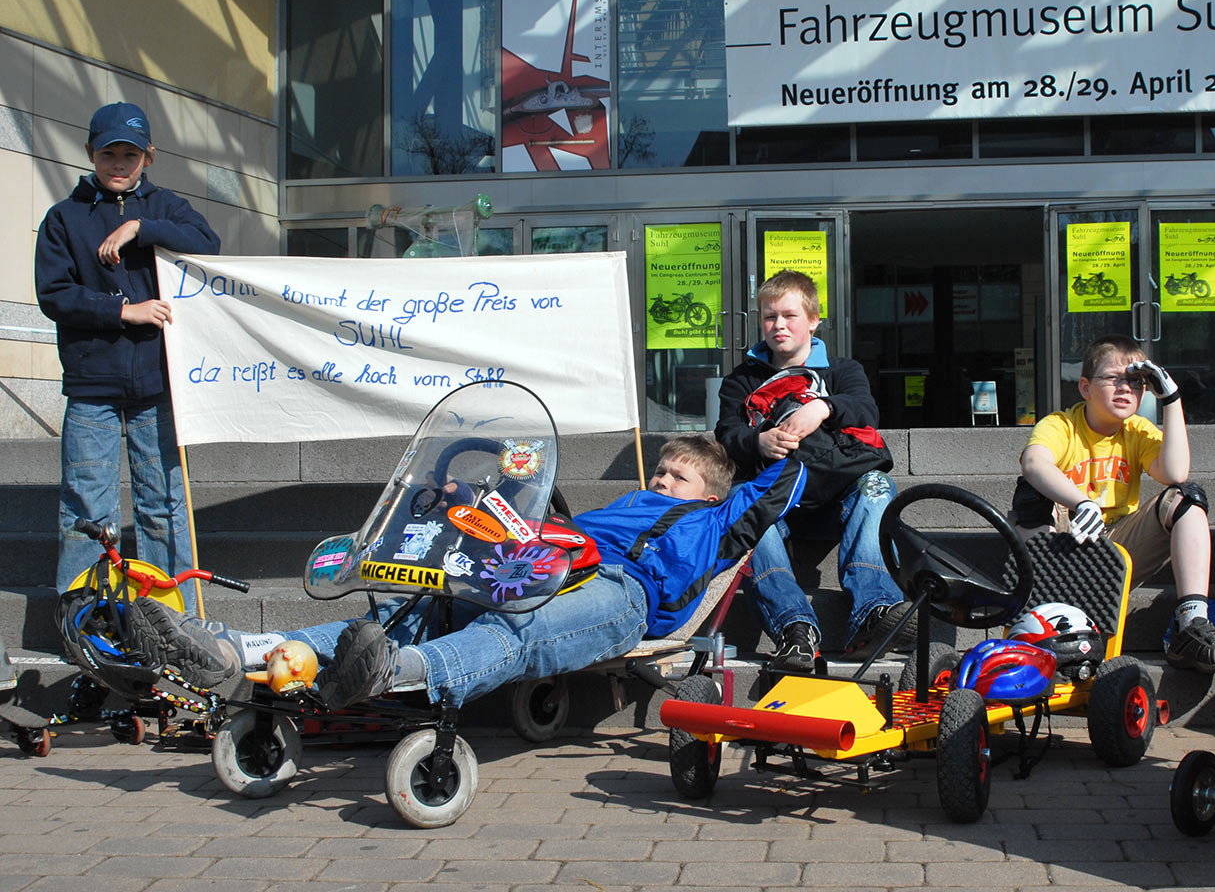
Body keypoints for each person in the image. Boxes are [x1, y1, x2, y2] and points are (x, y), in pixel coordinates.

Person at [132, 436, 806, 709]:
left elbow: (793, 477)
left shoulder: (719, 520)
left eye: (677, 475)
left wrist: (791, 429)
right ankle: (229, 650)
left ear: (713, 493)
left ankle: (387, 675)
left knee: (522, 628)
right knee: (406, 607)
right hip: (543, 561)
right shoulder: (626, 505)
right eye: (659, 469)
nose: (661, 478)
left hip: (620, 594)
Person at [35, 102, 221, 609]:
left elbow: (210, 244)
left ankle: (171, 612)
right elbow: (54, 295)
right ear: (90, 153)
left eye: (131, 155)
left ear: (149, 157)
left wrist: (142, 227)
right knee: (86, 509)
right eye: (109, 153)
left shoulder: (165, 209)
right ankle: (84, 617)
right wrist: (124, 312)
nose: (119, 164)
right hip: (92, 384)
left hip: (159, 383)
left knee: (163, 506)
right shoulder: (63, 218)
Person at [1011, 334, 1215, 674]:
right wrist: (1081, 502)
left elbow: (1175, 472)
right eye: (1113, 379)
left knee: (1186, 498)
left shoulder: (1137, 430)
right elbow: (1034, 463)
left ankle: (1191, 624)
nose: (1125, 388)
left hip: (1115, 551)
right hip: (1062, 544)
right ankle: (1043, 609)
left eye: (1135, 382)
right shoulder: (1061, 425)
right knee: (1032, 492)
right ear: (1085, 387)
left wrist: (1173, 399)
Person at [715, 270, 910, 673]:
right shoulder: (741, 379)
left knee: (878, 484)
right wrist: (759, 442)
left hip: (837, 492)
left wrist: (823, 407)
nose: (779, 325)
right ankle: (794, 629)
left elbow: (865, 411)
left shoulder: (843, 370)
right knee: (738, 505)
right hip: (775, 498)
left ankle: (874, 610)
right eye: (770, 317)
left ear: (814, 320)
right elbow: (727, 434)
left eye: (789, 315)